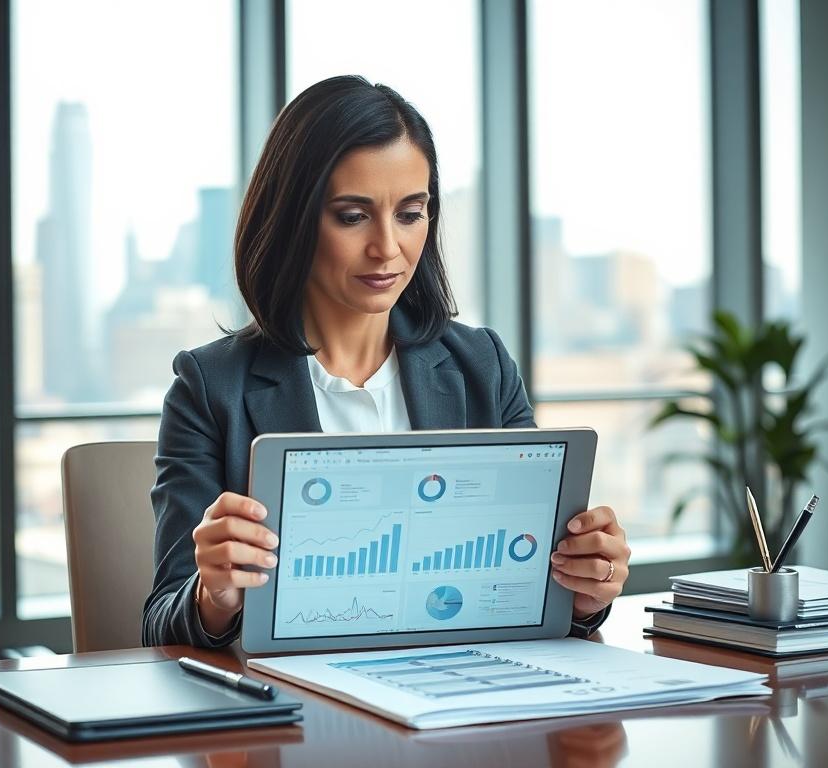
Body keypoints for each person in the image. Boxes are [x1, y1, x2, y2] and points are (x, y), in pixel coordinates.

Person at [143, 75, 631, 647]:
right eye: (352, 216)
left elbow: (532, 591)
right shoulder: (210, 387)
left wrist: (583, 593)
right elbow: (160, 625)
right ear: (294, 219)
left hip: (458, 701)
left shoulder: (483, 366)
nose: (388, 247)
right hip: (300, 712)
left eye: (410, 213)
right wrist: (214, 597)